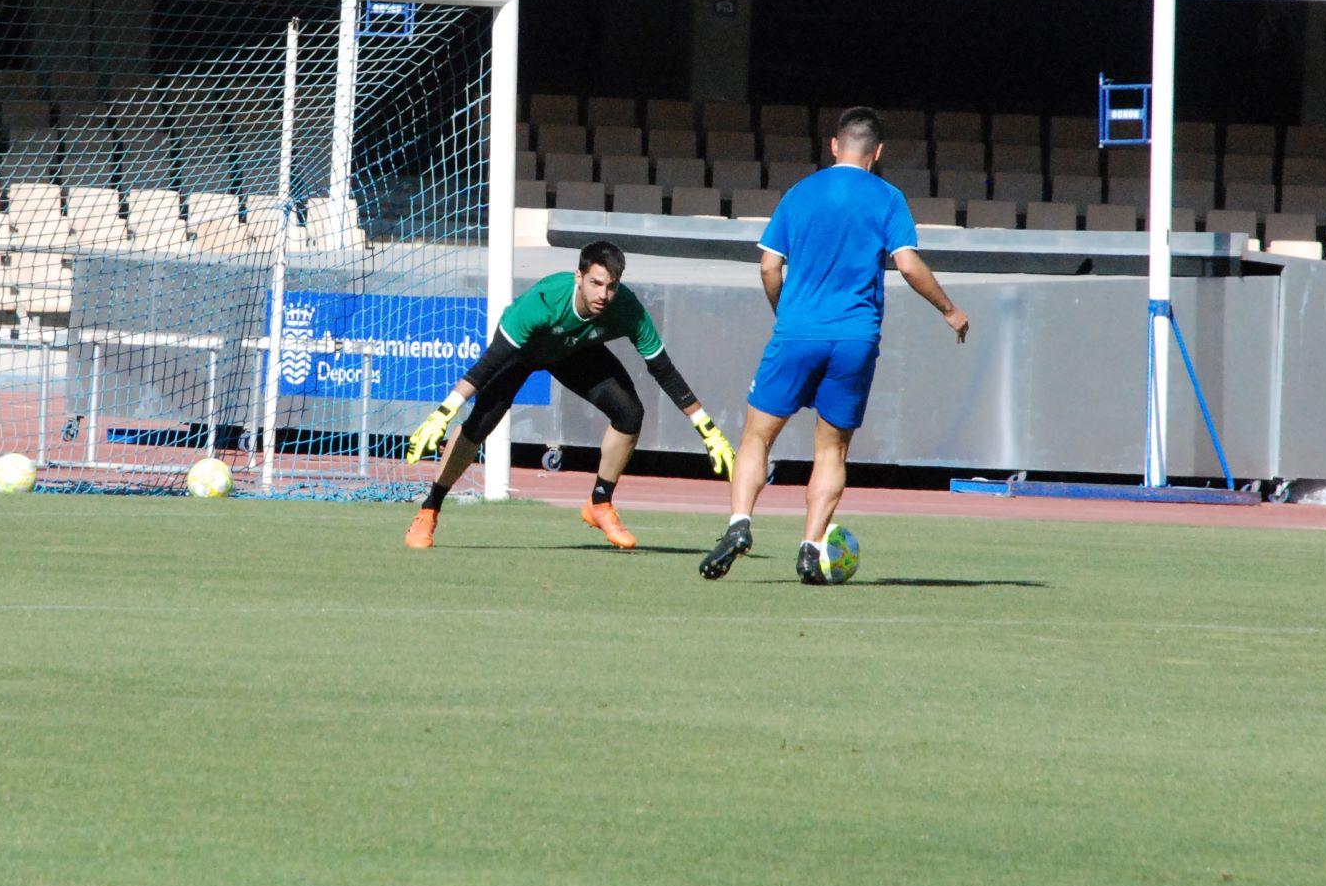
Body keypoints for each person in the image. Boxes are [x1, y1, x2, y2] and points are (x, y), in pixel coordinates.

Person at [699, 107, 970, 584]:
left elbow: (767, 266)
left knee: (757, 436)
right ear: (878, 152)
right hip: (855, 338)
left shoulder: (800, 193)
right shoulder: (888, 198)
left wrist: (786, 313)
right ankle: (810, 546)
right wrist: (949, 309)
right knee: (831, 451)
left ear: (833, 145)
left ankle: (740, 523)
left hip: (798, 330)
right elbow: (907, 265)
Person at [402, 241, 734, 551]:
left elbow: (663, 369)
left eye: (612, 285)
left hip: (573, 352)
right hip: (523, 351)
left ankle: (600, 504)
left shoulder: (627, 308)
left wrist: (708, 429)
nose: (604, 294)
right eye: (596, 283)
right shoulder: (543, 303)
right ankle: (429, 509)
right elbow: (485, 367)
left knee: (630, 414)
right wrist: (442, 413)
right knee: (479, 426)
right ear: (579, 277)